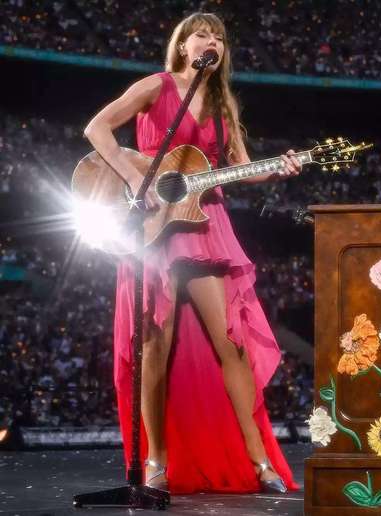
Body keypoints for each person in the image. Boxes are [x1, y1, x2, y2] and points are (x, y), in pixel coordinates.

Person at [83, 12, 300, 494]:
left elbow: (242, 169)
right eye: (202, 34)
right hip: (155, 227)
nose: (212, 41)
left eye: (220, 37)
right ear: (183, 45)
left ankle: (259, 461)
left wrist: (279, 169)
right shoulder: (156, 87)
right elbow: (97, 129)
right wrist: (136, 177)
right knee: (153, 346)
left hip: (207, 227)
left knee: (232, 344)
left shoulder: (224, 107)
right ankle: (156, 462)